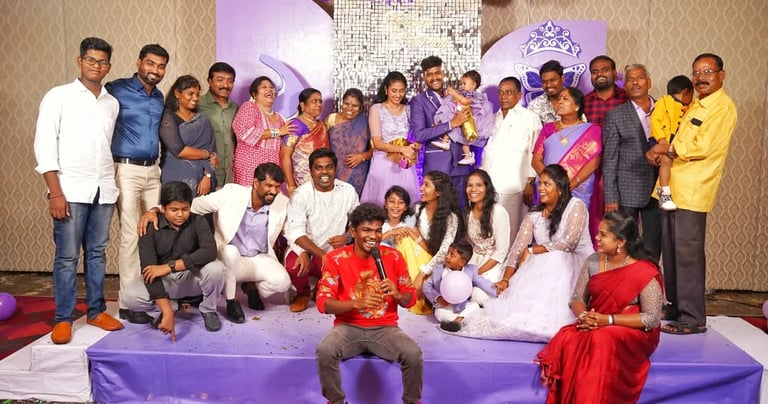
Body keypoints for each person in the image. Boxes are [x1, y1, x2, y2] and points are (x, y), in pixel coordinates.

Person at [34, 37, 124, 344]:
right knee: (67, 257)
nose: (96, 66)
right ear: (79, 61)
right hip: (70, 189)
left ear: (108, 66)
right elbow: (45, 145)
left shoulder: (111, 103)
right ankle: (63, 318)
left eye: (102, 62)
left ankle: (96, 311)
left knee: (97, 254)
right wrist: (55, 192)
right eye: (91, 60)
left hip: (103, 189)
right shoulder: (58, 96)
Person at [445, 164, 593, 342]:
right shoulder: (534, 214)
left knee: (554, 257)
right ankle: (465, 315)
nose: (541, 188)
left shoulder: (576, 206)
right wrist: (506, 279)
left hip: (575, 265)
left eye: (547, 184)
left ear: (560, 188)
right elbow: (516, 250)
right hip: (545, 267)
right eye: (540, 183)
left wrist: (532, 249)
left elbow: (569, 243)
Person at [647, 53, 737, 334]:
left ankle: (692, 318)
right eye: (696, 72)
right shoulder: (696, 103)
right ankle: (675, 306)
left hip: (693, 191)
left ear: (721, 75)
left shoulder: (722, 107)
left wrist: (666, 149)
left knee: (688, 254)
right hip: (669, 188)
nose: (701, 77)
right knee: (671, 251)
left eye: (708, 71)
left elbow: (703, 147)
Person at [139, 162, 292, 324]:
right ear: (255, 182)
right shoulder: (231, 193)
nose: (274, 191)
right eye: (269, 186)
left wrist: (300, 251)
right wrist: (155, 210)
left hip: (259, 258)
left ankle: (250, 286)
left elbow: (290, 231)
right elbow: (194, 205)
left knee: (282, 282)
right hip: (229, 256)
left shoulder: (282, 202)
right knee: (230, 252)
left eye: (277, 187)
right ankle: (231, 301)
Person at [536, 211, 663, 404]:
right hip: (595, 321)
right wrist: (584, 316)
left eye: (603, 235)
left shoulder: (644, 270)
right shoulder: (593, 261)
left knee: (602, 337)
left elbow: (651, 318)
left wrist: (608, 320)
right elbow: (577, 298)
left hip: (634, 330)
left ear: (621, 241)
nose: (597, 238)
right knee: (567, 337)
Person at [315, 203, 422, 404]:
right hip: (348, 327)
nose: (373, 236)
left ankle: (412, 401)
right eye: (366, 230)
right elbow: (323, 303)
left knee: (413, 354)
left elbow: (410, 299)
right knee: (326, 350)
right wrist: (356, 303)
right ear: (353, 231)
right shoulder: (336, 259)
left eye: (378, 230)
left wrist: (398, 294)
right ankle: (336, 401)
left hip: (386, 328)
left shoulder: (393, 256)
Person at [107, 43, 169, 325]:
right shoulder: (116, 89)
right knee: (131, 236)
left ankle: (147, 296)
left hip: (153, 170)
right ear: (139, 62)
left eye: (161, 66)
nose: (155, 70)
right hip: (126, 169)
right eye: (150, 63)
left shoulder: (158, 96)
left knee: (152, 234)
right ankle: (127, 304)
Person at [132, 182, 226, 340]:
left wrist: (170, 266)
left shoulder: (198, 221)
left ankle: (208, 309)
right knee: (131, 297)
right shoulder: (149, 226)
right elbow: (149, 271)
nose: (180, 215)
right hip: (166, 281)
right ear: (163, 208)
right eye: (174, 210)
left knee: (217, 269)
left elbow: (210, 251)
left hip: (190, 276)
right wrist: (167, 311)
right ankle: (171, 305)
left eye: (185, 209)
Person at [284, 148, 359, 312]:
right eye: (318, 168)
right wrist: (316, 254)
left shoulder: (347, 191)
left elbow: (358, 222)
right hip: (308, 249)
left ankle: (322, 288)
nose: (324, 172)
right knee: (294, 266)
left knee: (350, 280)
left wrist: (347, 237)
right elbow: (296, 232)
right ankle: (303, 294)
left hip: (336, 250)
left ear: (335, 169)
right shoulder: (301, 194)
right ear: (311, 171)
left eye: (329, 167)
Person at [602, 64, 662, 261]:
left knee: (654, 243)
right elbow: (610, 159)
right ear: (625, 86)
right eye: (630, 79)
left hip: (660, 187)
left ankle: (651, 278)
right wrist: (611, 197)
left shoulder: (665, 109)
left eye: (640, 78)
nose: (635, 82)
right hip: (627, 190)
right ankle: (628, 279)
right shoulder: (615, 115)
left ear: (649, 83)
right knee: (626, 243)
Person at [480, 76, 541, 243]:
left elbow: (536, 150)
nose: (503, 96)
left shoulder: (529, 117)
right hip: (492, 183)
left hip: (516, 185)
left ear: (519, 95)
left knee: (513, 230)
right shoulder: (494, 117)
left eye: (508, 92)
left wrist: (530, 182)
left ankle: (513, 260)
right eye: (500, 92)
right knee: (492, 229)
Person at [409, 56, 472, 205]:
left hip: (461, 163)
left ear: (443, 74)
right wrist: (452, 124)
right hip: (437, 166)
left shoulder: (456, 95)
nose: (434, 78)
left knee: (460, 209)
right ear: (424, 78)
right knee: (437, 211)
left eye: (437, 73)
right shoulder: (419, 101)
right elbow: (420, 134)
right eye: (429, 75)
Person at [532, 87, 602, 209]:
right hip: (549, 189)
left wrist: (573, 183)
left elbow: (594, 161)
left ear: (577, 106)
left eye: (565, 99)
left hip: (578, 188)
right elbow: (536, 160)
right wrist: (550, 182)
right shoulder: (548, 129)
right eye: (559, 99)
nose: (559, 102)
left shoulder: (592, 130)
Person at [360, 71, 420, 205]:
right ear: (386, 89)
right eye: (394, 91)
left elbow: (417, 136)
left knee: (404, 203)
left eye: (401, 91)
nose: (398, 95)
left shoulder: (409, 109)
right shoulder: (377, 109)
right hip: (383, 162)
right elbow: (377, 143)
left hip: (404, 163)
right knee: (381, 204)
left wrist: (414, 148)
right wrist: (402, 149)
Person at [159, 75, 218, 196]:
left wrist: (207, 176)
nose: (195, 98)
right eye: (190, 94)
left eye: (197, 94)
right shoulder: (168, 118)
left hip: (203, 181)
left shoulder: (202, 120)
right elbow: (178, 151)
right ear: (177, 93)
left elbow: (213, 151)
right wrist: (207, 154)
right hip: (175, 178)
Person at [232, 76, 296, 186]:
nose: (269, 89)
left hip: (273, 169)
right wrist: (278, 132)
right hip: (250, 167)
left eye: (271, 87)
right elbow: (244, 132)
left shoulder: (280, 119)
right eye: (264, 87)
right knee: (249, 195)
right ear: (254, 94)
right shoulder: (249, 107)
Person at [408, 171, 465, 294]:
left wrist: (422, 273)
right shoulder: (417, 208)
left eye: (426, 185)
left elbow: (444, 251)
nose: (421, 188)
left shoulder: (451, 218)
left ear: (438, 192)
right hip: (419, 254)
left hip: (438, 262)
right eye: (422, 184)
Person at [423, 240, 498, 332]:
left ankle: (457, 321)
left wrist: (496, 290)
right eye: (447, 253)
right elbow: (427, 286)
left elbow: (482, 282)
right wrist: (437, 298)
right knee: (439, 313)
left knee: (474, 306)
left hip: (462, 304)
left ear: (461, 263)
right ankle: (461, 321)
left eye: (452, 255)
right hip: (445, 305)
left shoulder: (470, 271)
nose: (447, 256)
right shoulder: (439, 270)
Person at [464, 169, 510, 301]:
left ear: (487, 188)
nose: (473, 189)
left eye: (479, 185)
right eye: (470, 185)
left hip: (493, 263)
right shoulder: (468, 212)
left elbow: (501, 251)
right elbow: (469, 242)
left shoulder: (498, 212)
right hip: (474, 260)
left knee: (477, 295)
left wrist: (477, 273)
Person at [650, 75, 694, 211]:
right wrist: (661, 139)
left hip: (676, 142)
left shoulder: (690, 107)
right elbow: (655, 120)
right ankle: (663, 194)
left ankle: (666, 192)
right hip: (664, 139)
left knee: (672, 165)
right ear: (686, 92)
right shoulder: (664, 101)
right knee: (666, 161)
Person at [432, 70, 494, 165]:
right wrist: (449, 94)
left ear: (473, 85)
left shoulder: (475, 96)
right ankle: (446, 141)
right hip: (460, 114)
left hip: (469, 118)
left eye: (464, 84)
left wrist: (455, 94)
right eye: (462, 84)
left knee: (465, 136)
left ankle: (468, 155)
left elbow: (465, 101)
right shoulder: (463, 93)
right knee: (451, 122)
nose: (462, 86)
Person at [281, 88, 331, 194]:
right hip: (301, 180)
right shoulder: (295, 125)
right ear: (303, 105)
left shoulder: (322, 125)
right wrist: (291, 185)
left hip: (322, 178)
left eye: (320, 101)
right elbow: (285, 156)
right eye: (314, 101)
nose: (319, 105)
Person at [197, 62, 238, 187]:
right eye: (220, 80)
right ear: (209, 81)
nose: (225, 85)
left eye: (230, 81)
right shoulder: (197, 104)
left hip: (230, 176)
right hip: (203, 175)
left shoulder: (236, 108)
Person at [327, 88, 372, 196]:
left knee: (353, 201)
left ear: (360, 107)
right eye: (346, 104)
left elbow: (376, 149)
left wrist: (362, 156)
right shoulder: (331, 119)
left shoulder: (366, 122)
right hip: (333, 171)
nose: (350, 108)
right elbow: (318, 139)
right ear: (342, 103)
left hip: (357, 172)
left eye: (355, 105)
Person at [583, 55, 628, 127]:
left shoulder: (627, 98)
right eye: (595, 72)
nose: (599, 74)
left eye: (605, 70)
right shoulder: (583, 102)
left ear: (614, 73)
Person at [528, 60, 565, 124]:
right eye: (544, 82)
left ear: (562, 79)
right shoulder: (535, 105)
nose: (548, 85)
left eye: (552, 80)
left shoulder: (575, 100)